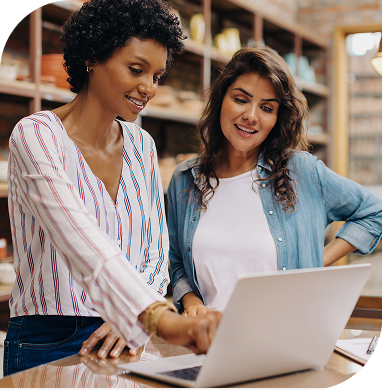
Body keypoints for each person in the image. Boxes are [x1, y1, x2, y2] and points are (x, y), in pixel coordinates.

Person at [4, 0, 221, 376]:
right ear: (92, 56)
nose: (148, 88)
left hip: (131, 337)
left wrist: (133, 319)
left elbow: (155, 250)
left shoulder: (142, 145)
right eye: (136, 69)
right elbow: (77, 236)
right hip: (50, 338)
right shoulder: (37, 135)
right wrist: (155, 316)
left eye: (156, 76)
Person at [167, 46, 382, 316]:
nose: (251, 116)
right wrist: (191, 302)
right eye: (241, 99)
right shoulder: (185, 179)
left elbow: (375, 212)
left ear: (277, 118)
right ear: (222, 99)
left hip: (286, 342)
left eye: (267, 107)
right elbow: (176, 261)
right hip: (209, 346)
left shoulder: (301, 171)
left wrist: (314, 263)